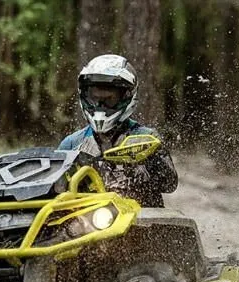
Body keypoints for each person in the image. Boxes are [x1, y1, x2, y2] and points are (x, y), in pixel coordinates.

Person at [58, 54, 177, 207]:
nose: (100, 105)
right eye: (95, 98)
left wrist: (148, 167)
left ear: (127, 97)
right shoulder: (72, 143)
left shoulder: (146, 137)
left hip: (141, 217)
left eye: (109, 99)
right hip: (87, 221)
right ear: (85, 96)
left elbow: (170, 184)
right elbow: (57, 190)